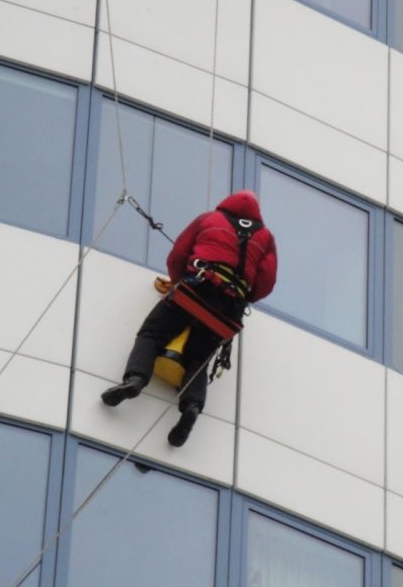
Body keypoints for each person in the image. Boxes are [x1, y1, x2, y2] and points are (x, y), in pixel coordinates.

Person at [101, 190, 278, 446]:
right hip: (228, 308)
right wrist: (243, 297)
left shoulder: (209, 218)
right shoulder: (266, 237)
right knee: (198, 359)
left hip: (196, 289)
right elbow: (266, 282)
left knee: (152, 334)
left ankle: (135, 380)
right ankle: (192, 407)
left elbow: (178, 255)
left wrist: (177, 283)